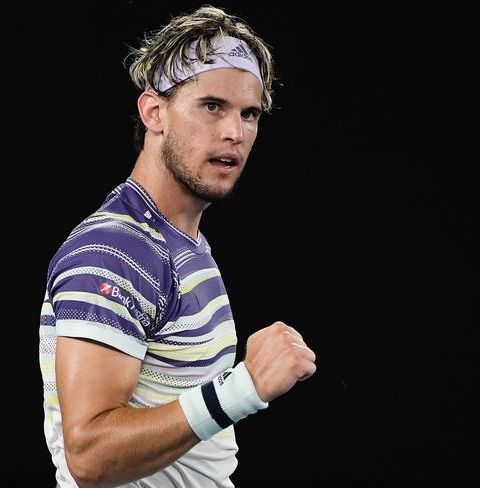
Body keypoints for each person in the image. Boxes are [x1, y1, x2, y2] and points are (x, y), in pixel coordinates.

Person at [38, 5, 317, 487]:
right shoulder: (116, 250)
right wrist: (244, 388)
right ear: (154, 112)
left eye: (249, 114)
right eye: (212, 106)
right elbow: (89, 454)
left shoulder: (185, 243)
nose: (235, 131)